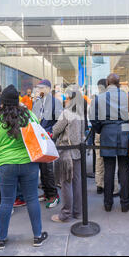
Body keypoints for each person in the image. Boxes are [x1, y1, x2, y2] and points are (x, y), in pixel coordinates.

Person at [0, 85, 48, 250]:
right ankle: (38, 236)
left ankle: (2, 239)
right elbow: (38, 132)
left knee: (6, 202)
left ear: (2, 103)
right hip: (29, 163)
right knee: (32, 199)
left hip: (5, 165)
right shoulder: (29, 116)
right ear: (18, 101)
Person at [90, 73, 129, 213]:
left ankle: (108, 203)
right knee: (124, 169)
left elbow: (94, 119)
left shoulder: (99, 98)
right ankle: (125, 204)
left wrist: (101, 129)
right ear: (119, 83)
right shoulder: (127, 97)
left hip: (107, 132)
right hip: (125, 132)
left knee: (109, 169)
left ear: (107, 83)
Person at [51, 87, 85, 222]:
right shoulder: (80, 113)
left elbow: (55, 130)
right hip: (77, 152)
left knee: (66, 183)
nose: (65, 99)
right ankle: (77, 212)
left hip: (66, 152)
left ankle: (65, 214)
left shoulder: (67, 112)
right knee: (77, 183)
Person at [32, 79, 62, 208]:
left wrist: (51, 133)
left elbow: (60, 121)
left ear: (48, 89)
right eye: (38, 88)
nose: (39, 90)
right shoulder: (37, 102)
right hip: (38, 139)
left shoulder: (55, 103)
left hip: (48, 139)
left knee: (47, 169)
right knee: (42, 168)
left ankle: (53, 195)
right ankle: (46, 192)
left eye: (41, 88)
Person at [94, 79, 119, 195]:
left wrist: (98, 129)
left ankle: (99, 184)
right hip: (111, 132)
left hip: (100, 132)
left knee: (99, 159)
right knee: (112, 162)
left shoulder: (98, 99)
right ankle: (113, 187)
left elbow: (93, 117)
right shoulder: (113, 98)